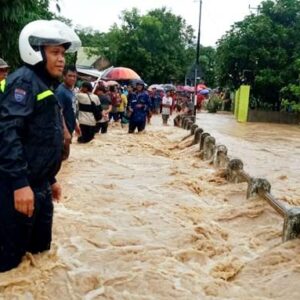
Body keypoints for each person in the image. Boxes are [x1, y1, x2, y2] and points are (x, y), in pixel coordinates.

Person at [0, 19, 81, 272]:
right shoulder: (23, 82)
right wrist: (20, 184)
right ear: (35, 51)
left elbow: (41, 139)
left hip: (40, 186)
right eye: (55, 52)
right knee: (10, 264)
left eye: (63, 54)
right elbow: (7, 133)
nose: (61, 60)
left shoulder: (44, 84)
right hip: (19, 189)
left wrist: (51, 178)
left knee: (39, 257)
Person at [55, 65, 80, 160]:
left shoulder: (71, 91)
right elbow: (59, 113)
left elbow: (71, 110)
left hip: (69, 129)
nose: (73, 78)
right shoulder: (60, 92)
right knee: (61, 159)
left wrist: (76, 126)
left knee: (65, 159)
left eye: (75, 76)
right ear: (64, 76)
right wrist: (65, 132)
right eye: (70, 76)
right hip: (61, 132)